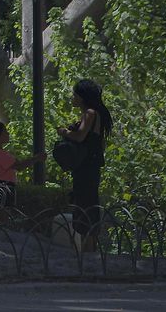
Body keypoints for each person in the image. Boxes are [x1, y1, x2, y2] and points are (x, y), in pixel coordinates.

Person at [57, 78, 112, 247]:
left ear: (81, 97)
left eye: (74, 95)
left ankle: (89, 250)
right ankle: (89, 248)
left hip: (86, 167)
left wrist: (64, 132)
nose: (72, 98)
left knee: (85, 205)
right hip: (90, 166)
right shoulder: (97, 114)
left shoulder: (90, 113)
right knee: (87, 203)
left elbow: (80, 137)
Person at [0, 121, 42, 224]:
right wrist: (36, 158)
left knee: (5, 213)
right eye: (5, 132)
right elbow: (19, 166)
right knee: (3, 214)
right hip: (4, 186)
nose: (8, 134)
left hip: (6, 185)